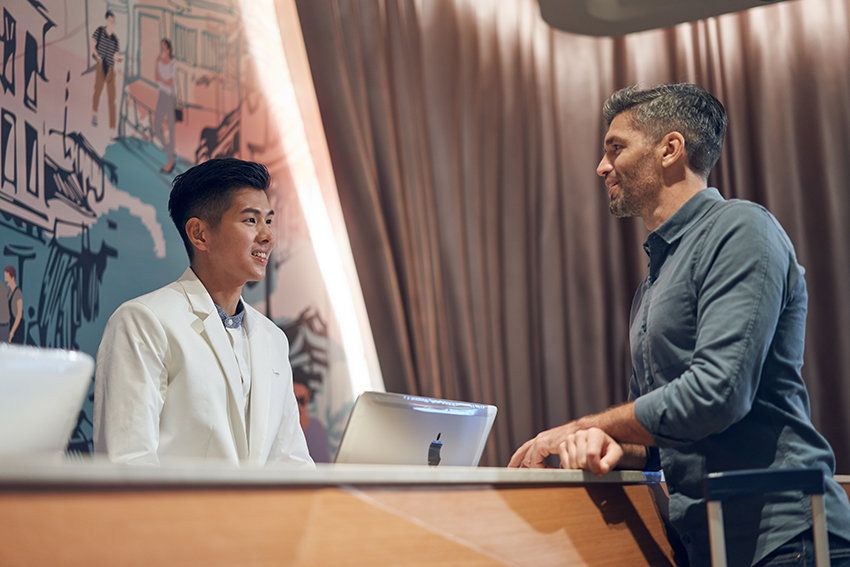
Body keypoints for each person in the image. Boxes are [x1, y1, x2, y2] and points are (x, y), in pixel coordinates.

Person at [508, 84, 850, 566]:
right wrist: (609, 444)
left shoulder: (742, 229)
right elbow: (661, 442)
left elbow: (716, 395)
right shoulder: (652, 284)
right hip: (706, 544)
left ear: (670, 149)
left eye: (616, 147)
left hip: (785, 540)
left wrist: (582, 425)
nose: (602, 167)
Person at [93, 158, 313, 467]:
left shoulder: (273, 338)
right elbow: (127, 461)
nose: (267, 236)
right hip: (175, 502)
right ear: (199, 234)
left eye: (268, 221)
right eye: (251, 220)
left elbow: (292, 461)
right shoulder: (143, 321)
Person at [90, 11, 123, 129]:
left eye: (113, 21)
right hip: (101, 65)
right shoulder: (100, 31)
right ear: (106, 20)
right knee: (97, 91)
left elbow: (116, 55)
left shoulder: (115, 39)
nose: (111, 23)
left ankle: (112, 126)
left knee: (112, 97)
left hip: (110, 68)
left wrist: (119, 60)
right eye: (110, 20)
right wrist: (97, 56)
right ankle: (94, 114)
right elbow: (93, 45)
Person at [153, 38, 176, 174]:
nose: (163, 50)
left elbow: (170, 82)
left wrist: (162, 79)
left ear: (169, 48)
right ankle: (169, 151)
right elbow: (157, 78)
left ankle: (170, 161)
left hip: (170, 96)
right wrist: (157, 64)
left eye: (165, 47)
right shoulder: (159, 61)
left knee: (171, 129)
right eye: (161, 47)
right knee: (157, 126)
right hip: (162, 95)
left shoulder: (172, 63)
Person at [3, 266, 22, 344]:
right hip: (9, 326)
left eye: (6, 277)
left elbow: (19, 315)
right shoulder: (8, 292)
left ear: (12, 278)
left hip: (17, 330)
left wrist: (12, 332)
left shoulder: (18, 293)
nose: (5, 279)